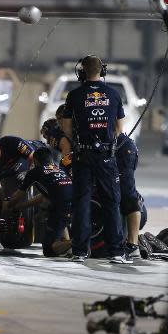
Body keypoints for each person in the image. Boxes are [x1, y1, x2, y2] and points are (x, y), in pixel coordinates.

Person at [61, 55, 130, 264]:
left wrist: (77, 141)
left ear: (81, 72)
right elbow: (120, 129)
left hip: (83, 155)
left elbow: (66, 126)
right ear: (103, 71)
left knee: (82, 203)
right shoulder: (114, 94)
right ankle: (116, 252)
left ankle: (80, 251)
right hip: (106, 157)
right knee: (111, 202)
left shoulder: (74, 95)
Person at [0, 133, 42, 251]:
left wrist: (29, 174)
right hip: (10, 181)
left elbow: (33, 155)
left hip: (32, 170)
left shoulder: (10, 142)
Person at [8, 147, 72, 257]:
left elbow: (18, 196)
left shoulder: (35, 172)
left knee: (48, 250)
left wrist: (8, 206)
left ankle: (77, 242)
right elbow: (43, 197)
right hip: (74, 203)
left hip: (61, 206)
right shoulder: (58, 169)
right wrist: (21, 206)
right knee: (59, 215)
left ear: (36, 161)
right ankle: (69, 247)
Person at [115, 133, 143, 258]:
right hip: (112, 147)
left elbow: (117, 127)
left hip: (122, 148)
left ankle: (133, 246)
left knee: (128, 195)